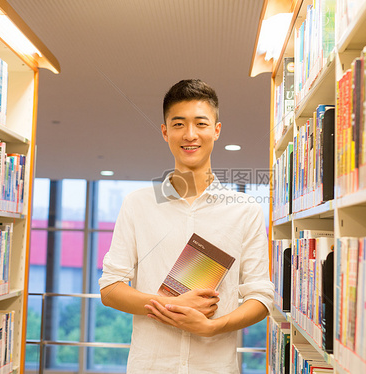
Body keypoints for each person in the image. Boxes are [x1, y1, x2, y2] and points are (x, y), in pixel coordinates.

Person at [99, 79, 273, 373]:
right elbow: (110, 288)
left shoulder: (246, 211)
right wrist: (174, 304)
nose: (190, 134)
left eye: (201, 124)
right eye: (178, 124)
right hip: (150, 366)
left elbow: (261, 296)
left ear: (216, 130)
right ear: (165, 132)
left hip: (215, 366)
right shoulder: (137, 204)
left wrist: (211, 327)